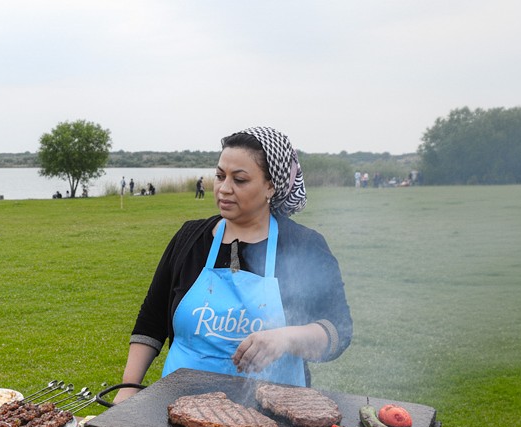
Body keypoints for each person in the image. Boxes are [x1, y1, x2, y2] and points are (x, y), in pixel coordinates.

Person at [115, 126, 352, 403]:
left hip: (274, 415)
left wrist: (285, 338)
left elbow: (338, 331)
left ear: (270, 186)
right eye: (219, 176)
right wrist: (128, 389)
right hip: (178, 408)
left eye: (239, 180)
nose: (224, 189)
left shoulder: (304, 245)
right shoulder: (190, 239)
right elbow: (150, 321)